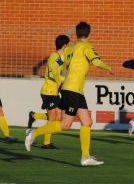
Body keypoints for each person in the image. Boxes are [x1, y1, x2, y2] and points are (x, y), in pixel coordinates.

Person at [25, 22, 113, 166]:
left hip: (73, 90)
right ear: (89, 33)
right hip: (72, 90)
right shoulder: (86, 47)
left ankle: (85, 157)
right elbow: (96, 62)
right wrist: (108, 68)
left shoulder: (69, 49)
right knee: (65, 125)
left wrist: (60, 80)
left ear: (77, 34)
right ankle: (33, 134)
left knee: (87, 122)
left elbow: (53, 65)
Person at [27, 35, 70, 149]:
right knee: (52, 118)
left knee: (57, 117)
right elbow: (51, 74)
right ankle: (46, 143)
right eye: (68, 45)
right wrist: (63, 80)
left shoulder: (60, 57)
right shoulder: (54, 57)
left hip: (53, 91)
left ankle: (34, 115)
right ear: (65, 45)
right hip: (48, 91)